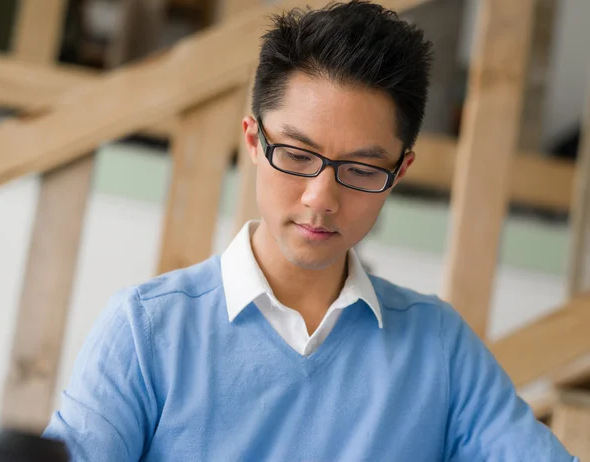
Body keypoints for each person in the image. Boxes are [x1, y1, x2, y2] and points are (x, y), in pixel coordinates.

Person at [43, 1, 579, 460]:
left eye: (363, 169)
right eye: (297, 155)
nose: (321, 198)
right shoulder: (146, 331)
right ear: (253, 140)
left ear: (401, 171)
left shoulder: (438, 349)